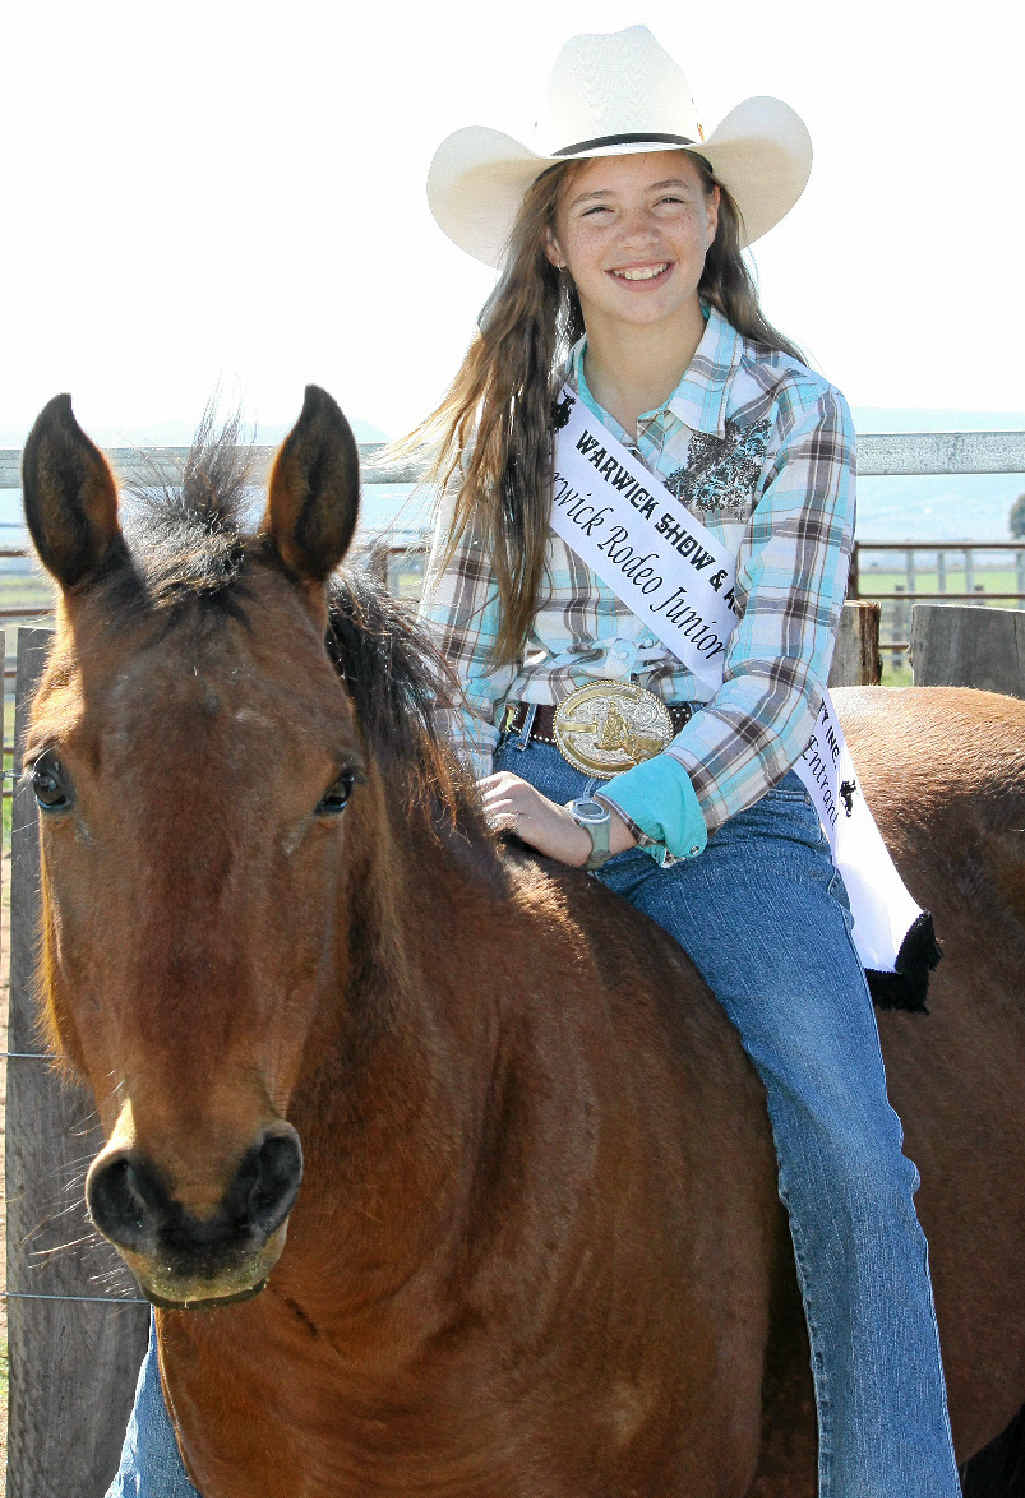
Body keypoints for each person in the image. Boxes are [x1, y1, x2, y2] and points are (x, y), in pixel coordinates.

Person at [106, 25, 959, 1498]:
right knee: (256, 1084)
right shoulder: (502, 414)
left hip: (724, 814)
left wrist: (613, 824)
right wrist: (461, 801)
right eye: (600, 207)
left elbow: (772, 684)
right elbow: (450, 649)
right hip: (501, 781)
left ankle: (895, 1477)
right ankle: (157, 1475)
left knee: (847, 1145)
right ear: (555, 241)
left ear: (714, 218)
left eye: (668, 199)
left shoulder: (792, 418)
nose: (640, 235)